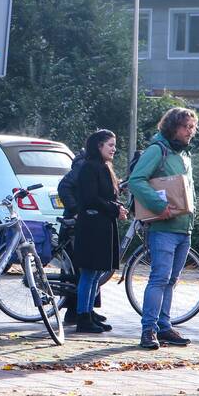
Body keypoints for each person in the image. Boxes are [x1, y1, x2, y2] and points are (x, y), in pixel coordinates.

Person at [128, 107, 198, 350]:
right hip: (163, 228)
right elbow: (136, 180)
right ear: (172, 127)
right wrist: (159, 206)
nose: (190, 131)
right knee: (160, 278)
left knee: (171, 280)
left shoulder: (184, 154)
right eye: (186, 127)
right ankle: (148, 330)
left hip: (184, 228)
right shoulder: (158, 150)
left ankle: (164, 327)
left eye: (192, 127)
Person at [72, 129, 127, 334]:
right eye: (110, 145)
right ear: (99, 146)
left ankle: (88, 312)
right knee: (89, 272)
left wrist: (118, 207)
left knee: (96, 273)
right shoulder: (89, 168)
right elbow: (91, 198)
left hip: (102, 225)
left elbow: (106, 197)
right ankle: (82, 317)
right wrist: (114, 208)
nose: (114, 149)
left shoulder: (104, 167)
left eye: (114, 145)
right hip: (92, 226)